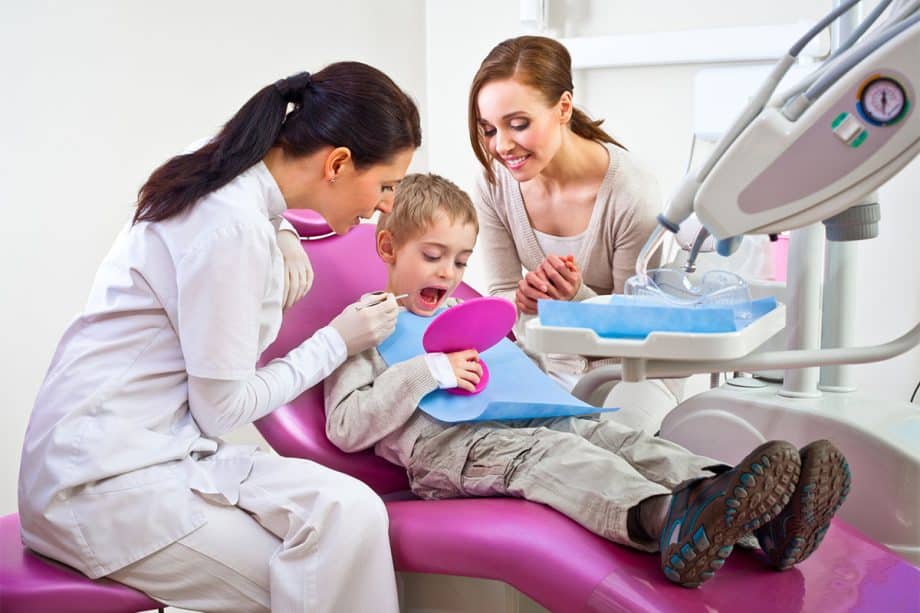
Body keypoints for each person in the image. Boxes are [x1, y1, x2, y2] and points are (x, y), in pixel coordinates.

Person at [18, 63, 421, 613]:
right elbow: (222, 410)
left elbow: (240, 214)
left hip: (157, 450)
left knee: (351, 509)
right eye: (386, 185)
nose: (386, 204)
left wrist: (281, 231)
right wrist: (337, 342)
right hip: (95, 487)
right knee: (328, 577)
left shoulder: (226, 163)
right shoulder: (232, 229)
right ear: (338, 164)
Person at [323, 173, 852, 588]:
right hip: (449, 449)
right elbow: (345, 426)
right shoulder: (365, 326)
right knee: (560, 460)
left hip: (528, 419)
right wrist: (428, 370)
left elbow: (509, 374)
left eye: (461, 261)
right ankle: (667, 520)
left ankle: (761, 517)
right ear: (389, 248)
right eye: (433, 257)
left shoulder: (463, 309)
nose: (449, 274)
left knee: (617, 437)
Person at [468, 36, 684, 420]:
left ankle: (718, 482)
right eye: (488, 130)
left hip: (630, 369)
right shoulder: (493, 184)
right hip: (549, 358)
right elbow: (501, 291)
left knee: (611, 449)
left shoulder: (631, 192)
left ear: (563, 108)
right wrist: (522, 300)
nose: (502, 146)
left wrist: (575, 299)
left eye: (518, 124)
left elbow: (635, 330)